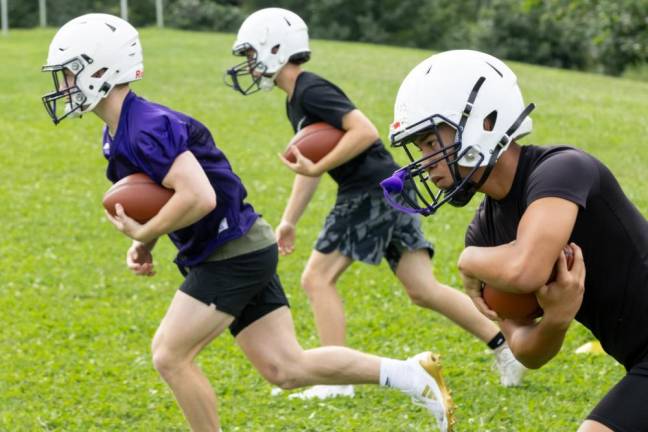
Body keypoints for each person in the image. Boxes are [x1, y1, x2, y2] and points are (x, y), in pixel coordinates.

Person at [42, 13, 456, 432]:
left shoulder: (147, 126)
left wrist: (147, 233)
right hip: (239, 245)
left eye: (67, 74)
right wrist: (146, 243)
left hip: (232, 251)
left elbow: (198, 197)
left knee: (170, 355)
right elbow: (166, 196)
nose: (61, 87)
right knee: (286, 367)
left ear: (100, 71)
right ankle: (411, 374)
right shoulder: (118, 133)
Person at [225, 8, 525, 400]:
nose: (249, 64)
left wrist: (319, 164)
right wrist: (289, 220)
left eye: (251, 53)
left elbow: (363, 132)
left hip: (369, 191)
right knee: (422, 288)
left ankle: (337, 381)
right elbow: (311, 167)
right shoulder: (296, 100)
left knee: (316, 279)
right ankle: (505, 347)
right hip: (388, 188)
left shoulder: (311, 90)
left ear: (275, 48)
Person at [382, 49, 648, 432]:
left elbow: (526, 269)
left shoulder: (562, 170)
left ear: (483, 122)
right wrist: (555, 321)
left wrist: (468, 260)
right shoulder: (485, 228)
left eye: (429, 143)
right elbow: (525, 349)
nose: (425, 162)